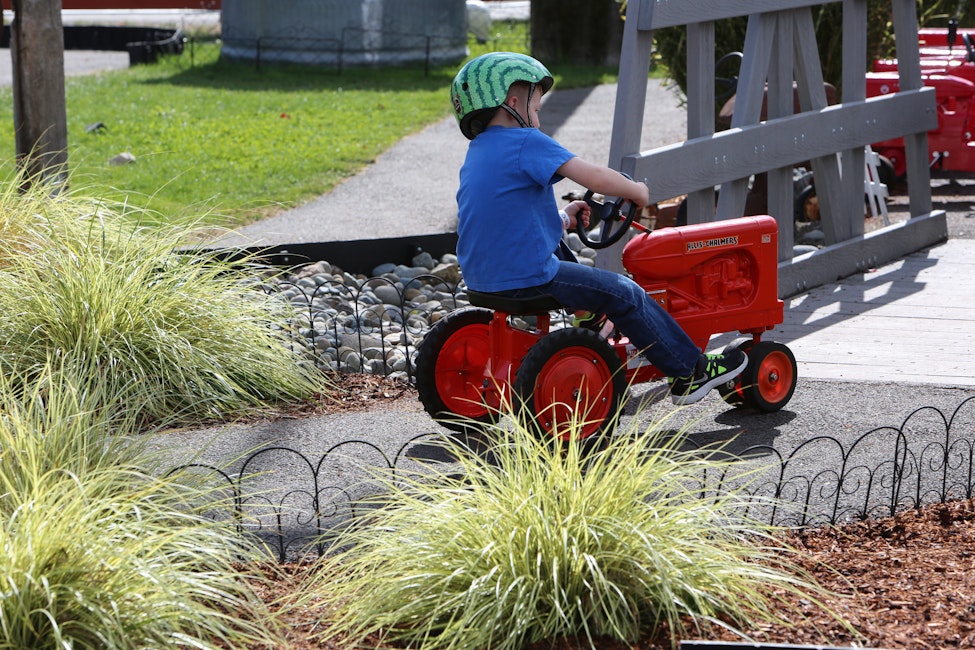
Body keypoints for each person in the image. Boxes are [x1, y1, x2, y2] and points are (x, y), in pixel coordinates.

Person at [449, 52, 747, 406]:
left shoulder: (478, 151)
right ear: (514, 104)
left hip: (482, 280)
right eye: (537, 108)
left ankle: (589, 317)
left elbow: (507, 221)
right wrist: (637, 190)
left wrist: (564, 218)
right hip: (527, 278)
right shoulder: (525, 140)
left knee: (559, 251)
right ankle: (691, 371)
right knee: (626, 293)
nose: (538, 118)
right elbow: (593, 176)